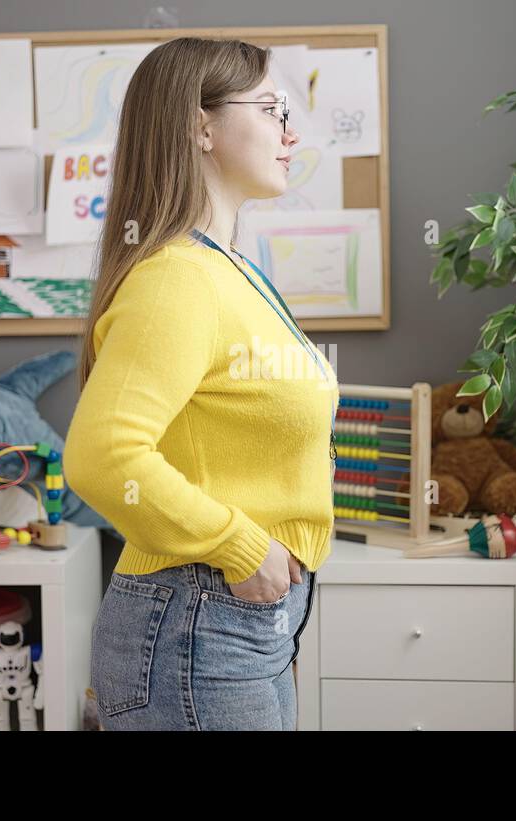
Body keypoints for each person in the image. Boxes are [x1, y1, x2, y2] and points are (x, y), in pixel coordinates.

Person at [64, 37, 338, 731]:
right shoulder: (176, 279)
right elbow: (102, 457)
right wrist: (243, 547)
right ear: (200, 125)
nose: (290, 131)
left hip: (240, 623)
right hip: (199, 621)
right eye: (272, 109)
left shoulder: (231, 270)